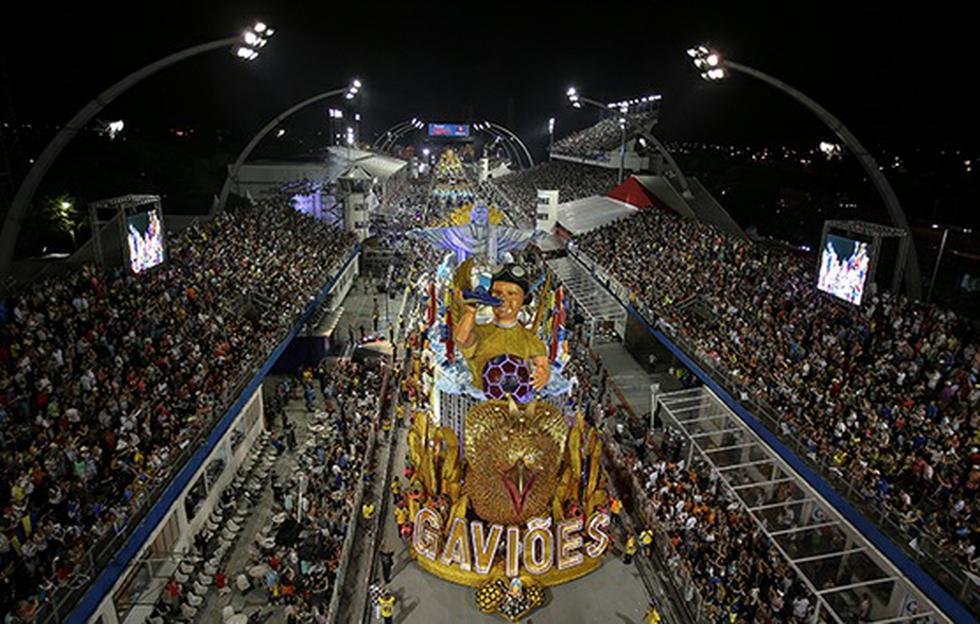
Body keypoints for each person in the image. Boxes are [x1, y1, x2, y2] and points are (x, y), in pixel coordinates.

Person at [453, 263, 550, 392]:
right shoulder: (481, 333)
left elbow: (543, 366)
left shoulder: (531, 341)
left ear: (523, 299)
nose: (503, 299)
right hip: (483, 400)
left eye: (511, 293)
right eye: (497, 292)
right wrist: (470, 312)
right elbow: (462, 339)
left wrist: (544, 375)